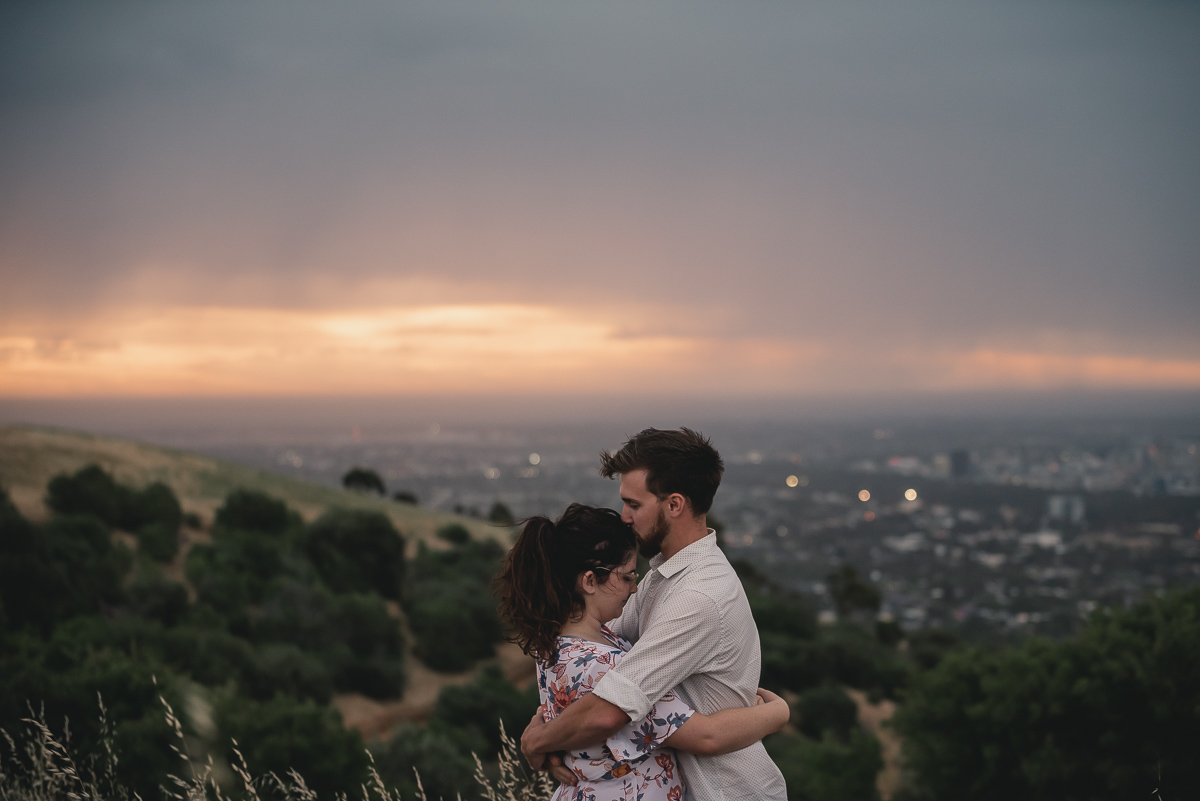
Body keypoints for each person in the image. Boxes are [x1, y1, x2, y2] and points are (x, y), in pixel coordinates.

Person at [520, 428, 788, 801]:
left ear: (674, 504)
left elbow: (608, 710)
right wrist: (556, 727)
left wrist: (539, 740)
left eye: (634, 504)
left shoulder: (698, 596)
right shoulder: (662, 576)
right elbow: (594, 657)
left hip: (725, 792)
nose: (624, 517)